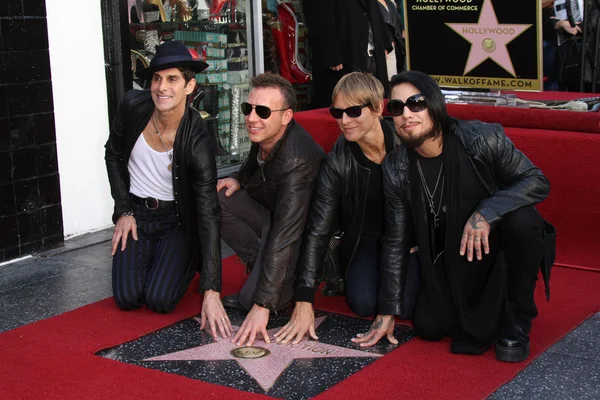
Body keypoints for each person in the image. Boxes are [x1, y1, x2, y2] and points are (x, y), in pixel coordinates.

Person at [382, 71, 554, 362]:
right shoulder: (396, 167)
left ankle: (516, 321)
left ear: (435, 104)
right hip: (448, 259)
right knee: (428, 327)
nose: (406, 114)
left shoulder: (481, 138)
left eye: (416, 103)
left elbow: (536, 180)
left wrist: (487, 212)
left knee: (524, 219)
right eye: (397, 108)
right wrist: (386, 310)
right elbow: (395, 239)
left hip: (498, 249)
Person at [274, 72, 419, 347]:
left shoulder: (406, 142)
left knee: (406, 305)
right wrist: (304, 299)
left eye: (353, 111)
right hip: (363, 240)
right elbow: (318, 229)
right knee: (364, 303)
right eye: (337, 112)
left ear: (377, 108)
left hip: (409, 243)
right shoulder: (337, 162)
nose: (344, 121)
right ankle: (343, 274)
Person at [105, 40, 221, 316]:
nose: (162, 87)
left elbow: (208, 210)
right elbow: (113, 154)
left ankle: (181, 261)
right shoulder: (132, 106)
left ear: (189, 87)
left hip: (177, 221)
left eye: (172, 79)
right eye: (157, 79)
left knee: (160, 300)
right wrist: (123, 210)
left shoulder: (198, 138)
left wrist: (212, 287)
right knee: (128, 298)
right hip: (137, 214)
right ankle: (155, 258)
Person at [209, 73, 325, 346]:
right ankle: (257, 262)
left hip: (303, 238)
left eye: (262, 111)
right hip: (273, 219)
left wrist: (262, 304)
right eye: (247, 108)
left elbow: (288, 234)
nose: (251, 117)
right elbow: (253, 169)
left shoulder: (298, 160)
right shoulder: (265, 133)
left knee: (252, 300)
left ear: (286, 116)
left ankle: (275, 281)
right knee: (216, 196)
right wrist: (236, 178)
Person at [303, 0, 393, 109]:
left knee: (374, 103)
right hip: (343, 53)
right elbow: (317, 16)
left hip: (370, 51)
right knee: (343, 104)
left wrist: (383, 44)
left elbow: (374, 9)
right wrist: (331, 53)